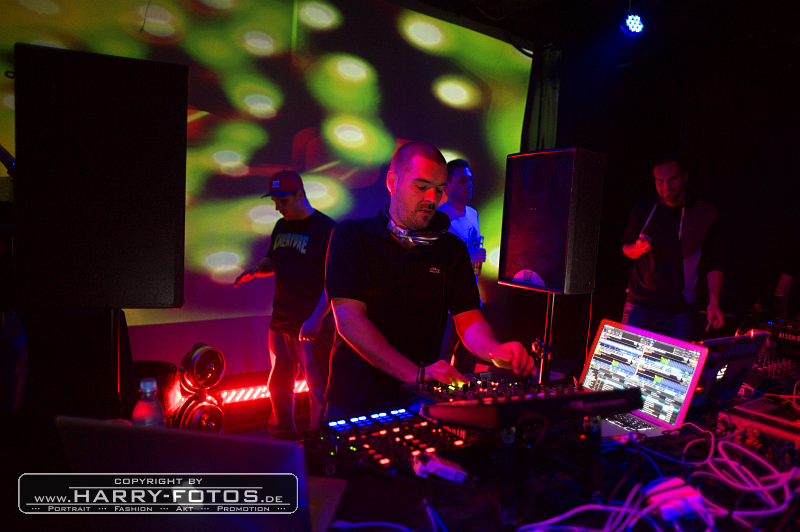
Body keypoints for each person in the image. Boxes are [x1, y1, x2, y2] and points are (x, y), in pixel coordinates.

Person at [324, 141, 535, 416]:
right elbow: (351, 322)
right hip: (355, 403)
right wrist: (416, 374)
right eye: (421, 186)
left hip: (418, 403)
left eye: (438, 189)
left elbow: (469, 319)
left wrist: (495, 351)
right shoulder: (352, 237)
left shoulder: (451, 249)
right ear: (392, 182)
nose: (431, 198)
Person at [234, 170, 335, 436]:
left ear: (300, 195)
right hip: (281, 321)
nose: (278, 208)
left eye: (283, 201)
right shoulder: (281, 226)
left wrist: (317, 318)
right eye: (275, 202)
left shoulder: (326, 229)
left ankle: (317, 440)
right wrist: (256, 269)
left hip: (311, 325)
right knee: (278, 385)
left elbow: (334, 281)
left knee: (318, 388)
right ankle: (282, 435)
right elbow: (274, 259)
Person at [621, 154, 725, 340]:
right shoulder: (643, 208)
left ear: (685, 176)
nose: (666, 186)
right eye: (659, 181)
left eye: (672, 179)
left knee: (673, 359)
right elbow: (626, 248)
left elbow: (714, 262)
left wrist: (714, 301)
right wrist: (638, 247)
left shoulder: (704, 212)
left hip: (679, 309)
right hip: (640, 304)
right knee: (629, 358)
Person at [437, 159, 485, 374]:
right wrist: (468, 258)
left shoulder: (473, 214)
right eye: (463, 180)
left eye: (471, 180)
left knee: (468, 362)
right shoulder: (440, 217)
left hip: (471, 299)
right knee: (442, 359)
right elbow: (437, 262)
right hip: (448, 305)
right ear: (447, 186)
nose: (469, 185)